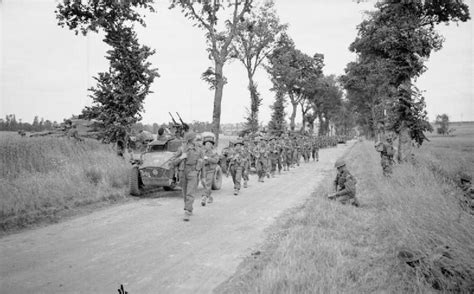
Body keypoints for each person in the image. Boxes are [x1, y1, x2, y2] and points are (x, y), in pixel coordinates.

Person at [171, 132, 204, 221]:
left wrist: (202, 176)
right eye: (194, 138)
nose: (196, 140)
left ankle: (187, 211)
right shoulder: (181, 149)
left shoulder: (199, 150)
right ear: (190, 140)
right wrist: (181, 157)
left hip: (193, 172)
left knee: (190, 193)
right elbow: (173, 162)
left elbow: (202, 164)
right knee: (185, 193)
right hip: (182, 172)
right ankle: (189, 208)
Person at [200, 132, 220, 206]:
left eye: (209, 144)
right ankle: (210, 196)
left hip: (211, 170)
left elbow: (216, 160)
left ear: (212, 145)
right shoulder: (202, 152)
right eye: (206, 144)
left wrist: (208, 158)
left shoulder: (214, 152)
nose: (207, 145)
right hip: (204, 170)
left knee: (208, 183)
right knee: (204, 183)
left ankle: (204, 197)